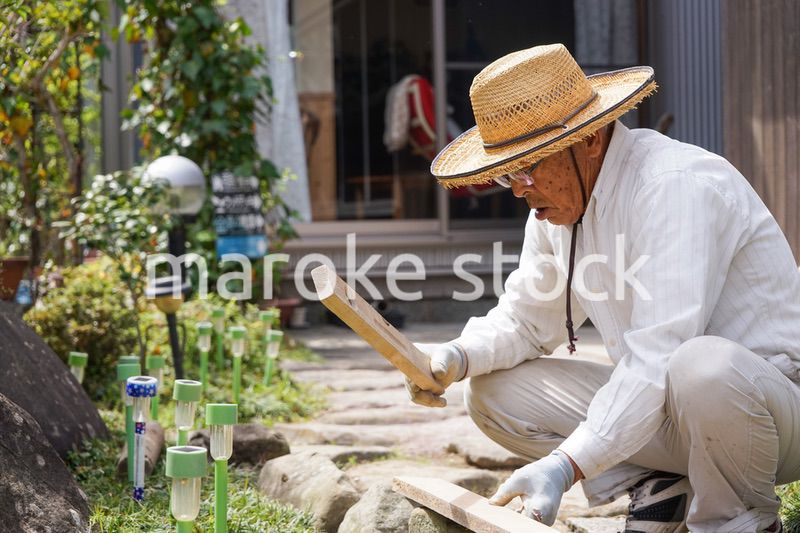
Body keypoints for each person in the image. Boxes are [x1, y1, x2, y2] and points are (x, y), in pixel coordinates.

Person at [406, 43, 800, 532]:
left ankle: (740, 519)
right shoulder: (555, 209)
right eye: (508, 173)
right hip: (680, 413)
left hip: (772, 413)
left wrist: (565, 464)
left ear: (590, 140)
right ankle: (663, 484)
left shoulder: (674, 186)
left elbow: (660, 353)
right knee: (492, 393)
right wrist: (456, 357)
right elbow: (527, 322)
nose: (519, 189)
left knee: (702, 366)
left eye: (528, 167)